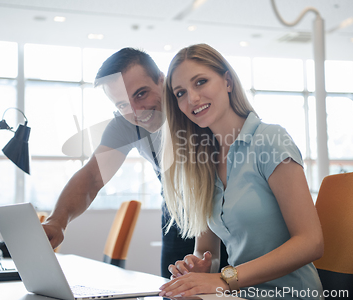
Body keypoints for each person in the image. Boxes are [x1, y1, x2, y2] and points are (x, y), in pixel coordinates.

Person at [41, 47, 227, 278]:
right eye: (122, 104)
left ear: (162, 79)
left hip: (225, 207)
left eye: (141, 94)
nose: (136, 111)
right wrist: (57, 221)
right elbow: (92, 177)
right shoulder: (125, 124)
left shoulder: (197, 106)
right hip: (178, 210)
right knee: (173, 290)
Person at [158, 44, 324, 300]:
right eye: (180, 93)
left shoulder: (270, 140)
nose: (191, 99)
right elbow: (207, 251)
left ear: (227, 81)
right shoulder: (203, 164)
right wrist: (200, 268)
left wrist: (225, 279)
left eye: (200, 82)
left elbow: (311, 242)